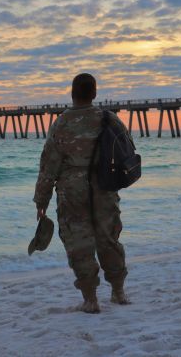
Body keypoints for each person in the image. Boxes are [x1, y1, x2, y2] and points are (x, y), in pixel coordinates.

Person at [33, 73, 130, 314]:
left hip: (72, 190)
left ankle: (90, 300)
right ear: (94, 93)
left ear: (72, 93)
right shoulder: (109, 119)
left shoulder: (62, 123)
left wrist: (41, 200)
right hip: (105, 187)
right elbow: (126, 151)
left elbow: (49, 165)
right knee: (109, 238)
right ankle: (118, 292)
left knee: (79, 242)